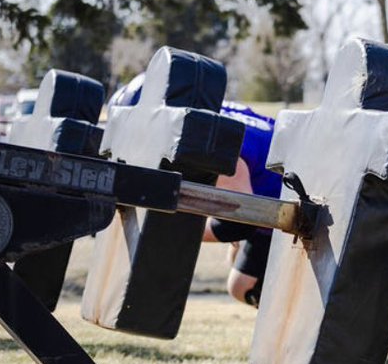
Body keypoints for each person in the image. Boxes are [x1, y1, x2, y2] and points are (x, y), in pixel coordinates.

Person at [107, 76, 282, 307]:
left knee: (245, 286)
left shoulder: (209, 139)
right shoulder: (211, 112)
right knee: (239, 282)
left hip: (286, 207)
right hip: (268, 196)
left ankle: (305, 322)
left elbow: (238, 223)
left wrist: (168, 231)